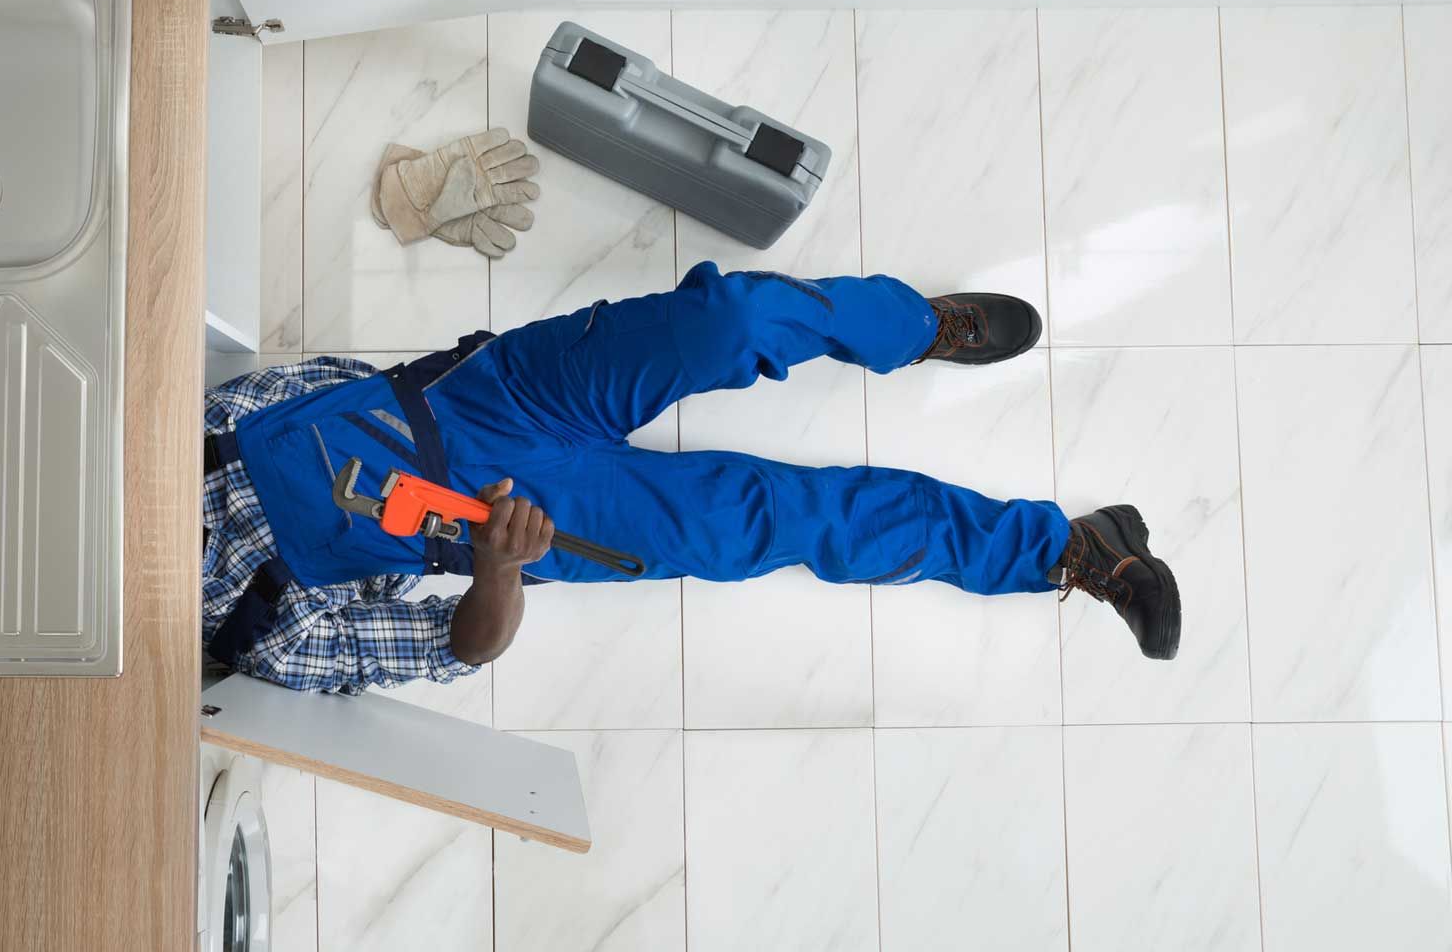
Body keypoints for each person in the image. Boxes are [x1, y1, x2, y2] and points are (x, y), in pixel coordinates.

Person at [202, 263, 1181, 693]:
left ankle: (918, 326)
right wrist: (501, 568)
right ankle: (1072, 548)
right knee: (786, 520)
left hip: (495, 398)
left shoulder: (159, 429)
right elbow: (457, 651)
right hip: (511, 526)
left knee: (730, 325)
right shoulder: (250, 637)